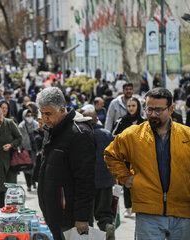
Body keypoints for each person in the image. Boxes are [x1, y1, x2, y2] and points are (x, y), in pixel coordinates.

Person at [104, 88, 190, 239]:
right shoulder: (133, 135)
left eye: (159, 110)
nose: (153, 114)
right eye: (149, 109)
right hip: (147, 213)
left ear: (171, 109)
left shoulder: (189, 136)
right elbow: (110, 153)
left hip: (182, 212)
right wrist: (126, 178)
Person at [36, 87, 96, 239]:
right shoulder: (51, 129)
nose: (44, 118)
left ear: (62, 109)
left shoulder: (79, 134)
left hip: (71, 219)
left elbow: (85, 180)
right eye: (41, 114)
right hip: (54, 214)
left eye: (48, 114)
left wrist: (82, 217)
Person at [82, 110, 115, 239]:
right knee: (105, 212)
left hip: (87, 182)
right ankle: (107, 226)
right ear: (97, 120)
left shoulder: (81, 135)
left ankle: (90, 236)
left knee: (86, 215)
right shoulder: (107, 134)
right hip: (106, 180)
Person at [111, 97, 144, 218]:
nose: (131, 108)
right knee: (127, 183)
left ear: (138, 107)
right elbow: (114, 136)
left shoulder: (144, 122)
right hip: (125, 159)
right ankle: (129, 207)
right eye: (129, 106)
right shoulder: (121, 121)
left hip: (141, 159)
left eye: (133, 106)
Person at [18, 109, 39, 192]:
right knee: (26, 167)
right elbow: (20, 139)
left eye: (30, 116)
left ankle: (33, 182)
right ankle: (28, 184)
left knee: (34, 166)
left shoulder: (36, 124)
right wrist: (20, 149)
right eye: (27, 116)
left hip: (34, 149)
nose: (29, 117)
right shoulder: (21, 126)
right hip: (25, 149)